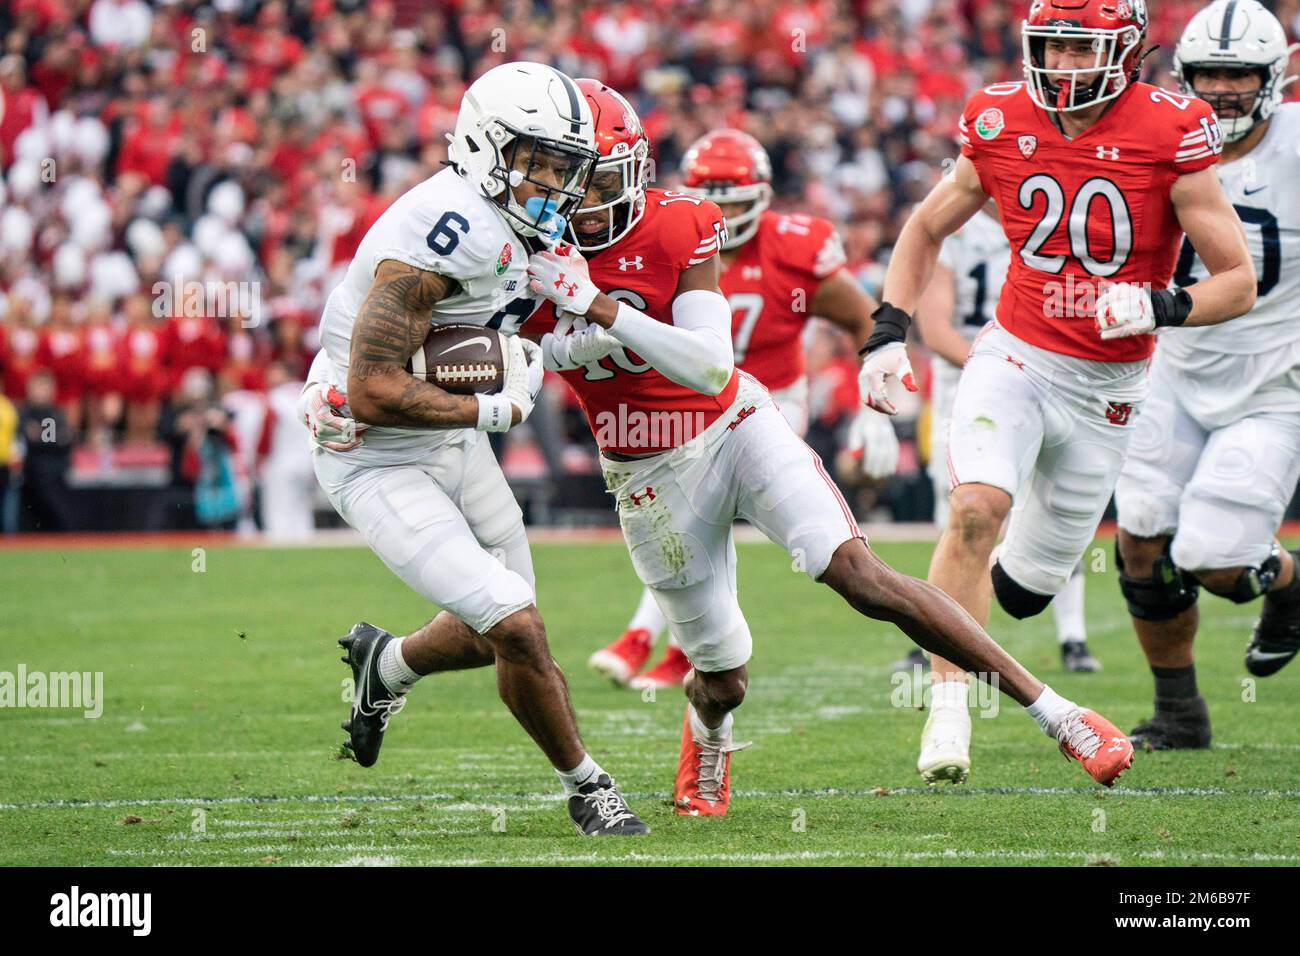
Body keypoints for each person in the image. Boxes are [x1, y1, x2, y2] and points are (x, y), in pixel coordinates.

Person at [523, 79, 1135, 817]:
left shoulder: (679, 222)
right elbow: (500, 371)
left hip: (734, 423)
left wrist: (595, 310)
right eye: (572, 181)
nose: (588, 200)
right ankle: (707, 732)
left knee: (861, 576)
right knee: (723, 674)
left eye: (602, 180)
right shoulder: (517, 259)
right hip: (645, 468)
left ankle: (1056, 712)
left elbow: (711, 363)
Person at [857, 0, 1257, 784]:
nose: (1065, 67)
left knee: (1026, 592)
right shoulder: (1000, 117)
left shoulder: (1170, 129)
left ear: (1130, 50)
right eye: (1053, 48)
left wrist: (1162, 303)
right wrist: (886, 332)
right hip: (1014, 355)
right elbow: (927, 226)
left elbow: (1237, 281)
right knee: (975, 510)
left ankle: (989, 603)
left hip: (1107, 389)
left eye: (1083, 51)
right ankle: (946, 713)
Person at [297, 62, 648, 836]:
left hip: (448, 437)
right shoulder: (444, 228)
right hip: (374, 450)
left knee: (503, 634)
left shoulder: (529, 222)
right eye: (542, 162)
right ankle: (589, 787)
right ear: (488, 149)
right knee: (515, 623)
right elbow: (371, 388)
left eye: (567, 165)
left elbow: (547, 316)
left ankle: (383, 667)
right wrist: (492, 403)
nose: (559, 184)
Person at [588, 127, 901, 690]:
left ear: (762, 196)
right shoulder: (664, 238)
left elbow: (864, 318)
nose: (725, 216)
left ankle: (655, 641)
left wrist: (872, 410)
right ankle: (661, 642)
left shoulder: (794, 246)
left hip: (768, 402)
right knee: (687, 513)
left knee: (708, 512)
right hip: (687, 397)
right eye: (716, 202)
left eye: (737, 202)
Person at [1114, 0, 1300, 748]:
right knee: (1140, 538)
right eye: (1209, 74)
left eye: (1238, 73)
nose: (1222, 89)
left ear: (1273, 76)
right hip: (1174, 367)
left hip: (1274, 380)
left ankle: (1286, 582)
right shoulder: (1153, 137)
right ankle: (1180, 713)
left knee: (1215, 558)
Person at [910, 201, 1099, 675]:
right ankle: (944, 634)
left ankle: (1073, 636)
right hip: (968, 380)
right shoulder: (952, 221)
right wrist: (996, 372)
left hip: (1048, 378)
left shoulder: (1059, 213)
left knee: (1049, 505)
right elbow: (935, 330)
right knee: (962, 514)